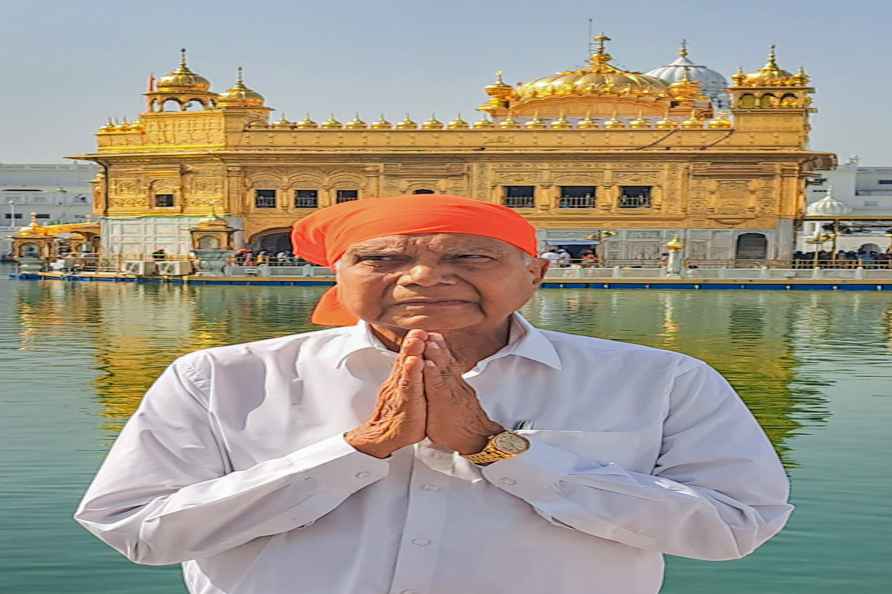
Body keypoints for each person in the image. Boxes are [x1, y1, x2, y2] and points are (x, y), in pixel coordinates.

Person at [75, 194, 792, 594]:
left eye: (468, 257)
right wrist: (357, 451)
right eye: (382, 259)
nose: (421, 279)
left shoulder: (659, 383)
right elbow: (139, 531)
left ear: (536, 274)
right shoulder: (222, 381)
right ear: (340, 277)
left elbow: (734, 526)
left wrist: (501, 450)